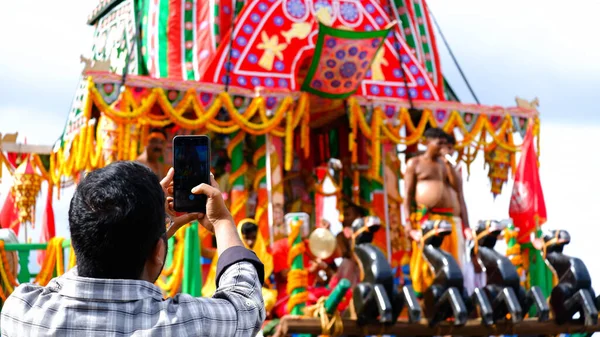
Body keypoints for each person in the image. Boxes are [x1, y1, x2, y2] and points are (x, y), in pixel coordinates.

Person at [1, 161, 266, 336]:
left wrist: (147, 231)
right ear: (159, 252)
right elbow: (246, 305)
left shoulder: (21, 313)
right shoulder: (185, 323)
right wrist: (221, 221)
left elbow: (88, 254)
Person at [403, 127, 464, 296]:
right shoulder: (414, 164)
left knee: (451, 263)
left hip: (448, 223)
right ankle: (425, 300)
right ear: (426, 142)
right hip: (427, 222)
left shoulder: (446, 165)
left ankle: (448, 297)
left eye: (446, 144)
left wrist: (448, 162)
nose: (443, 148)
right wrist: (409, 226)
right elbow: (407, 197)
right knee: (425, 266)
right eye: (440, 143)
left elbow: (458, 190)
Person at [202, 218, 278, 314]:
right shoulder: (227, 252)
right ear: (240, 236)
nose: (250, 242)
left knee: (269, 297)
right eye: (247, 238)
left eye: (253, 238)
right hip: (229, 289)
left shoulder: (266, 258)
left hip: (253, 293)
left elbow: (270, 285)